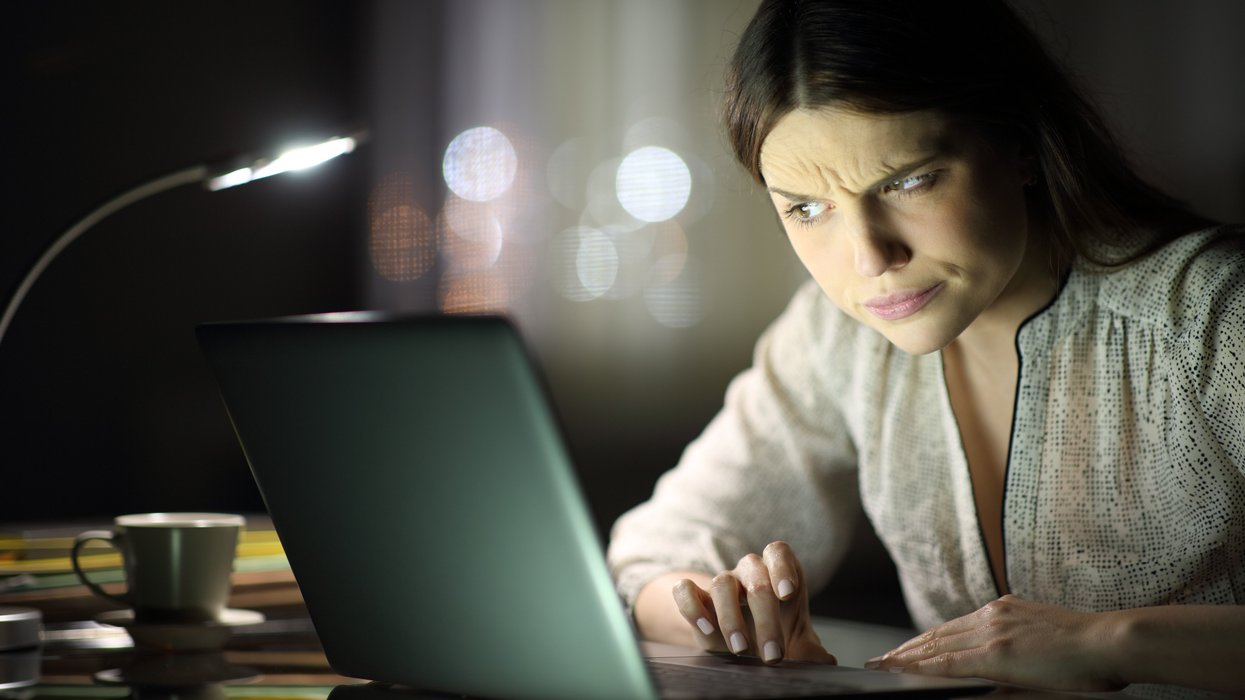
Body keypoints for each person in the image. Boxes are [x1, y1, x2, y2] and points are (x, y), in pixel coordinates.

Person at [605, 0, 1245, 694]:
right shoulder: (836, 336)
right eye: (806, 208)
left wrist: (1109, 642)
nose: (869, 256)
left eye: (907, 180)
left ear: (1020, 143)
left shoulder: (1209, 316)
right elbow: (653, 555)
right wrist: (727, 619)